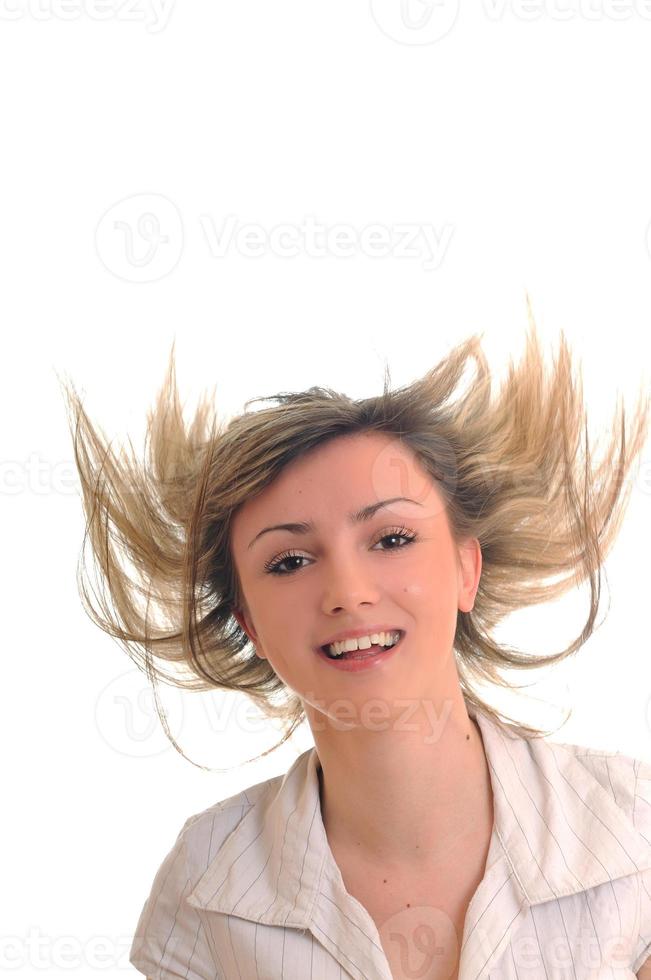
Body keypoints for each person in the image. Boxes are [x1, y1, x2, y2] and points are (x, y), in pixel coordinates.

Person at [60, 319, 651, 978]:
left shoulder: (633, 825)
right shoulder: (206, 884)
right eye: (288, 561)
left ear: (464, 571)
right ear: (248, 623)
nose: (348, 592)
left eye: (391, 539)